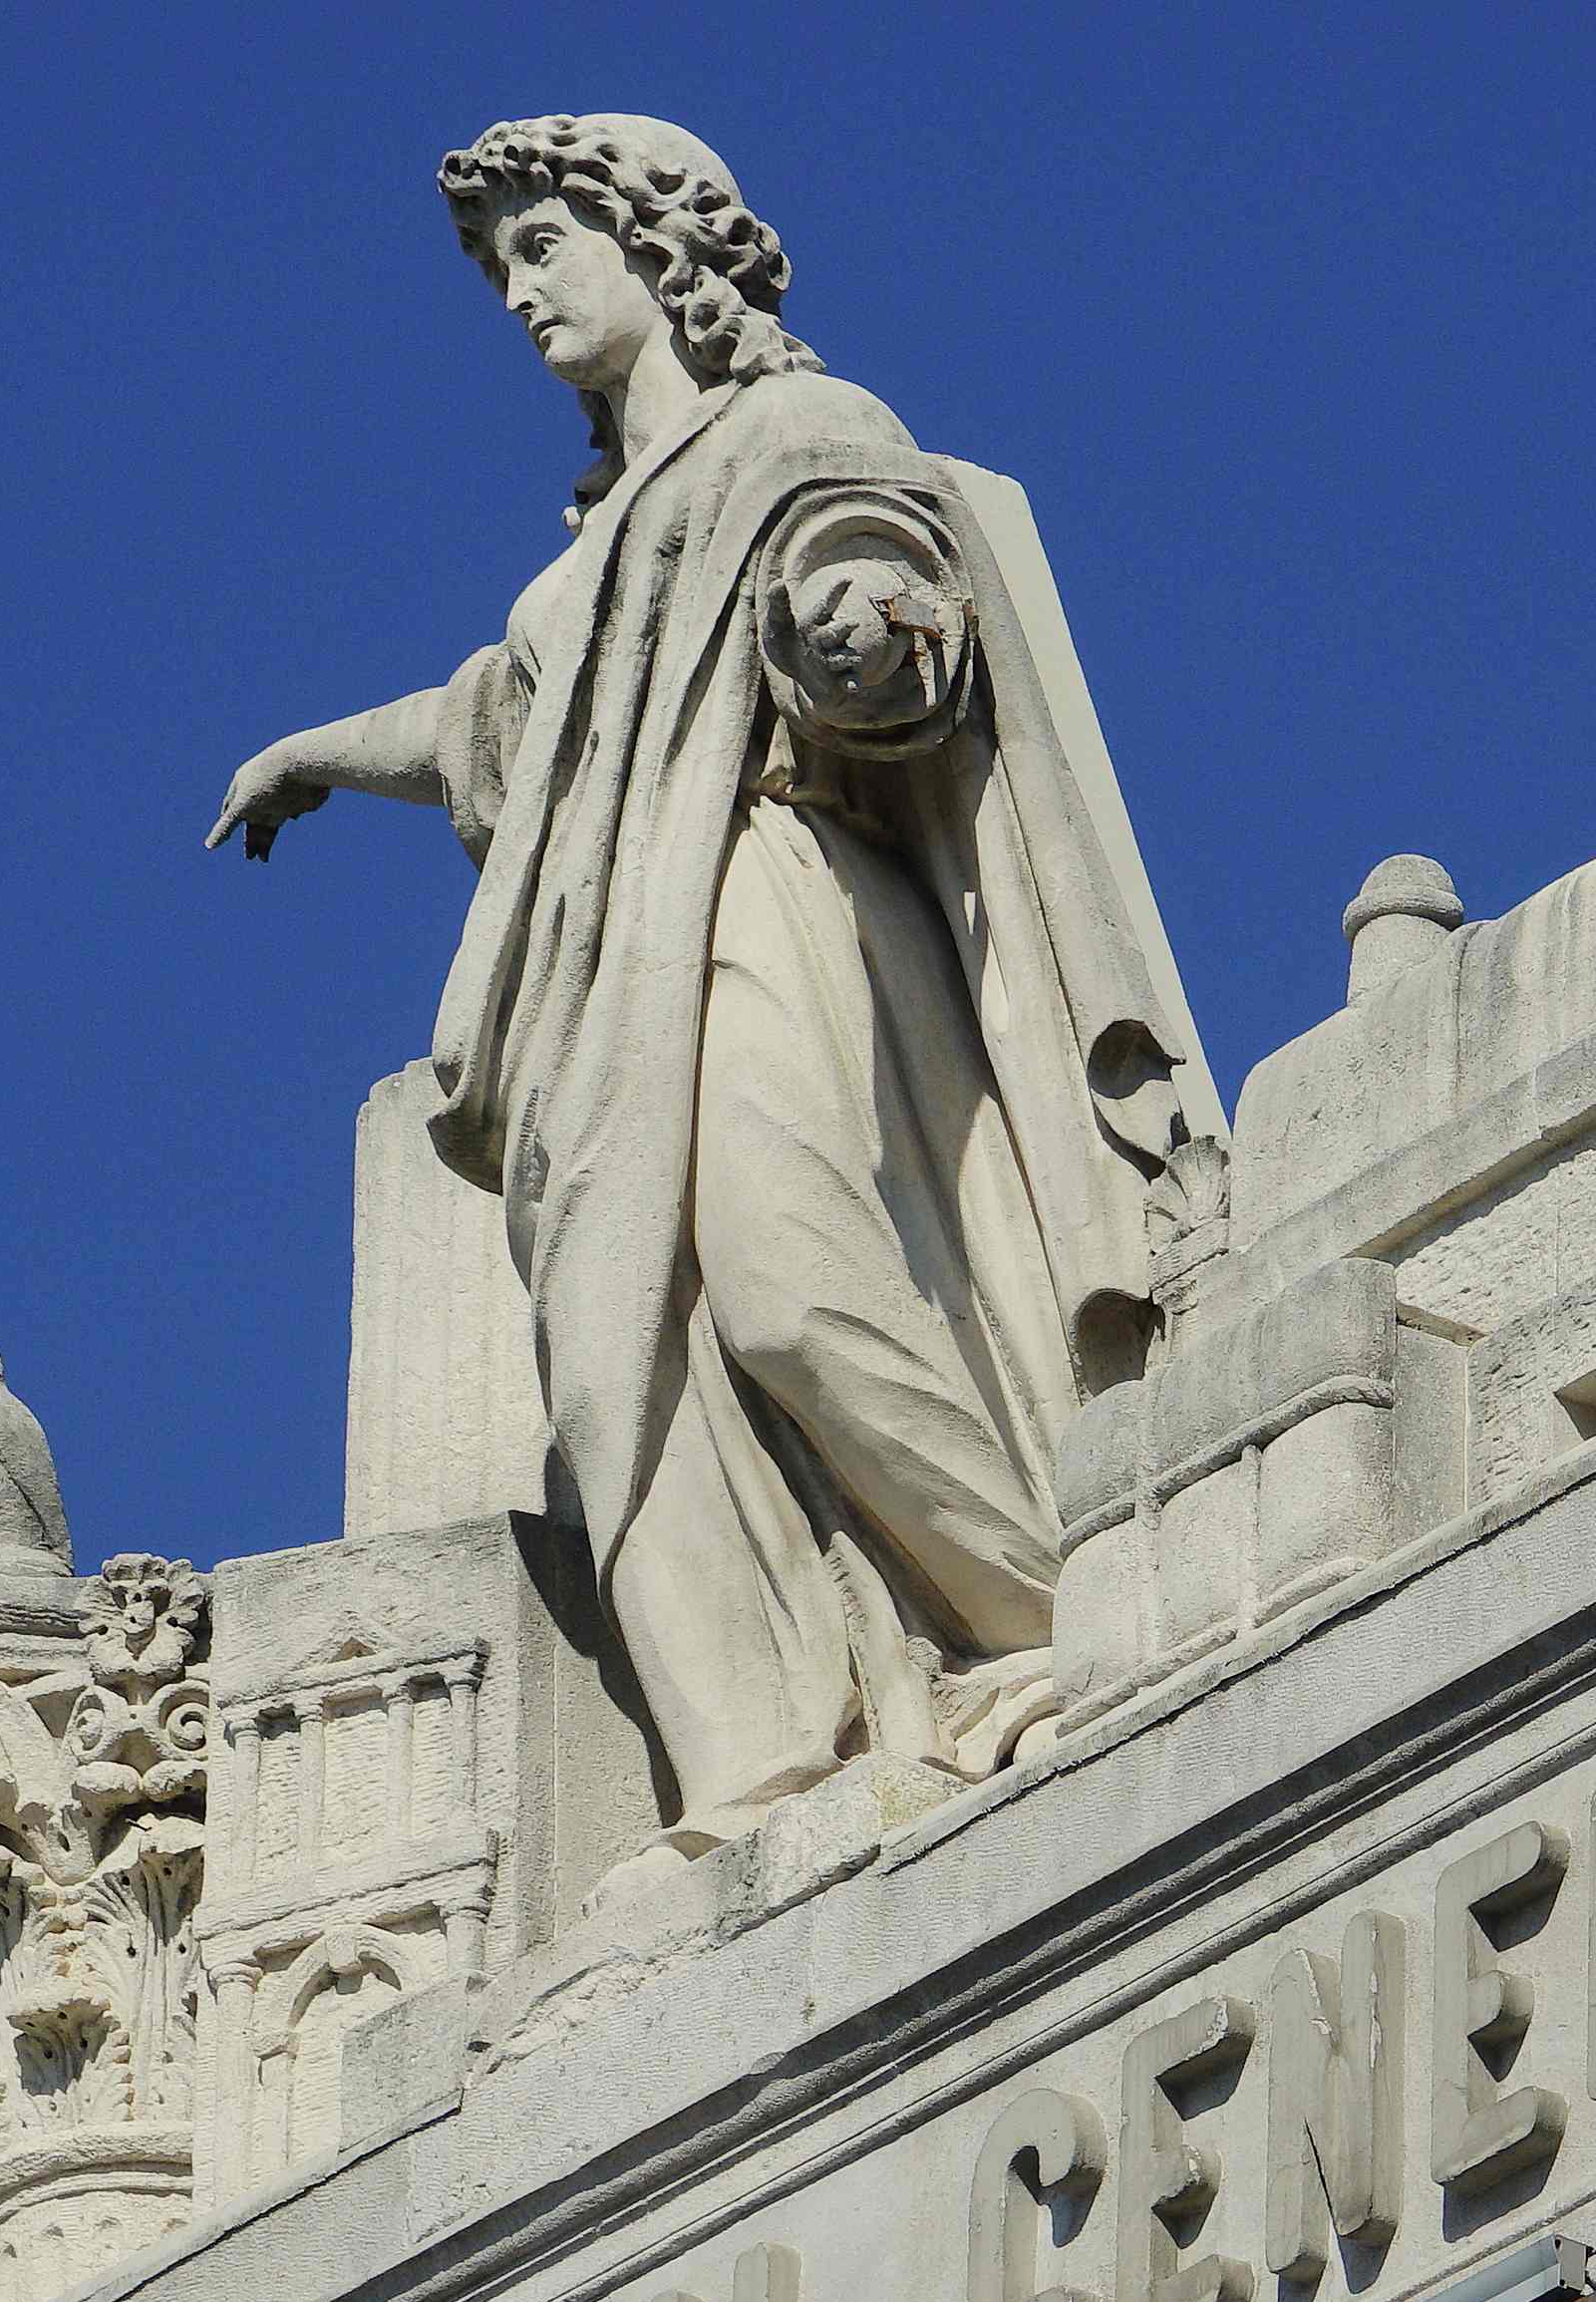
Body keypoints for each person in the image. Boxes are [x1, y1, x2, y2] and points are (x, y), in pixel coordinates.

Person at [213, 115, 1210, 1882]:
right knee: (620, 1368)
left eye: (543, 245)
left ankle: (1061, 1601)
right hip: (590, 998)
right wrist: (312, 755)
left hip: (756, 885)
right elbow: (486, 719)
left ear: (661, 245)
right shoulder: (591, 552)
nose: (519, 292)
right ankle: (755, 1761)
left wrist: (863, 633)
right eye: (498, 266)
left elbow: (891, 596)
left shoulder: (792, 435)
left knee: (792, 1288)